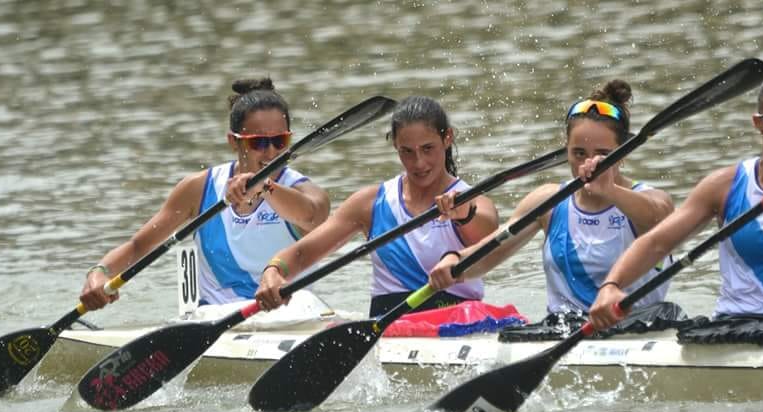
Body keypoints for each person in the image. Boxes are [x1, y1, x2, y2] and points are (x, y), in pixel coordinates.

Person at [589, 72, 763, 333]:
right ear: (759, 123)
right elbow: (657, 242)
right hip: (737, 327)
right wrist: (611, 285)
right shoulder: (724, 185)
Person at [427, 80, 676, 326]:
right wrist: (455, 260)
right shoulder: (548, 202)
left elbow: (660, 218)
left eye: (603, 155)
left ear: (623, 153)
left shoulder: (651, 199)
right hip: (564, 328)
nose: (590, 163)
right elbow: (489, 253)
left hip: (637, 327)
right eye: (579, 153)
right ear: (567, 151)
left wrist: (610, 190)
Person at [80, 78, 330, 310]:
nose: (271, 152)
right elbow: (139, 246)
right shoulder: (199, 189)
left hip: (290, 315)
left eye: (280, 141)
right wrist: (100, 272)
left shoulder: (302, 190)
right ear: (234, 141)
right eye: (258, 142)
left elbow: (313, 217)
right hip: (215, 317)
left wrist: (264, 186)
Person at [255, 96, 499, 317]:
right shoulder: (370, 203)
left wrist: (464, 215)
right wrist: (274, 270)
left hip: (456, 325)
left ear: (447, 138)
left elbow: (491, 239)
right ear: (395, 145)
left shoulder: (473, 201)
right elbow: (302, 254)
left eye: (428, 148)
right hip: (387, 330)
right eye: (407, 151)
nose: (419, 162)